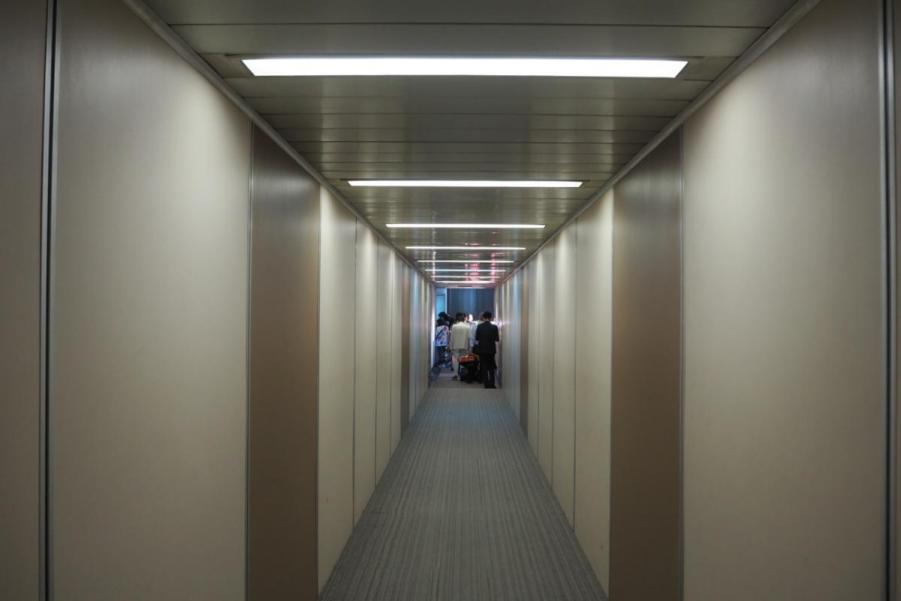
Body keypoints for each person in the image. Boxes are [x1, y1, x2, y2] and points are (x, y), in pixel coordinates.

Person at [475, 311, 500, 389]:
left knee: (484, 366)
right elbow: (497, 339)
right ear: (491, 317)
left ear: (483, 317)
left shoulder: (479, 326)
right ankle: (492, 384)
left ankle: (486, 384)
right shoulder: (494, 327)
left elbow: (477, 338)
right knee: (491, 366)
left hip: (482, 349)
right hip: (491, 349)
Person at [449, 313, 472, 380]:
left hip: (455, 346)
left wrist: (450, 346)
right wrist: (470, 347)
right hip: (465, 345)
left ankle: (456, 375)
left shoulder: (454, 326)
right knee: (463, 360)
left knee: (455, 361)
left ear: (457, 319)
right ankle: (463, 374)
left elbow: (452, 337)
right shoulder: (467, 326)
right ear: (464, 318)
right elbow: (469, 337)